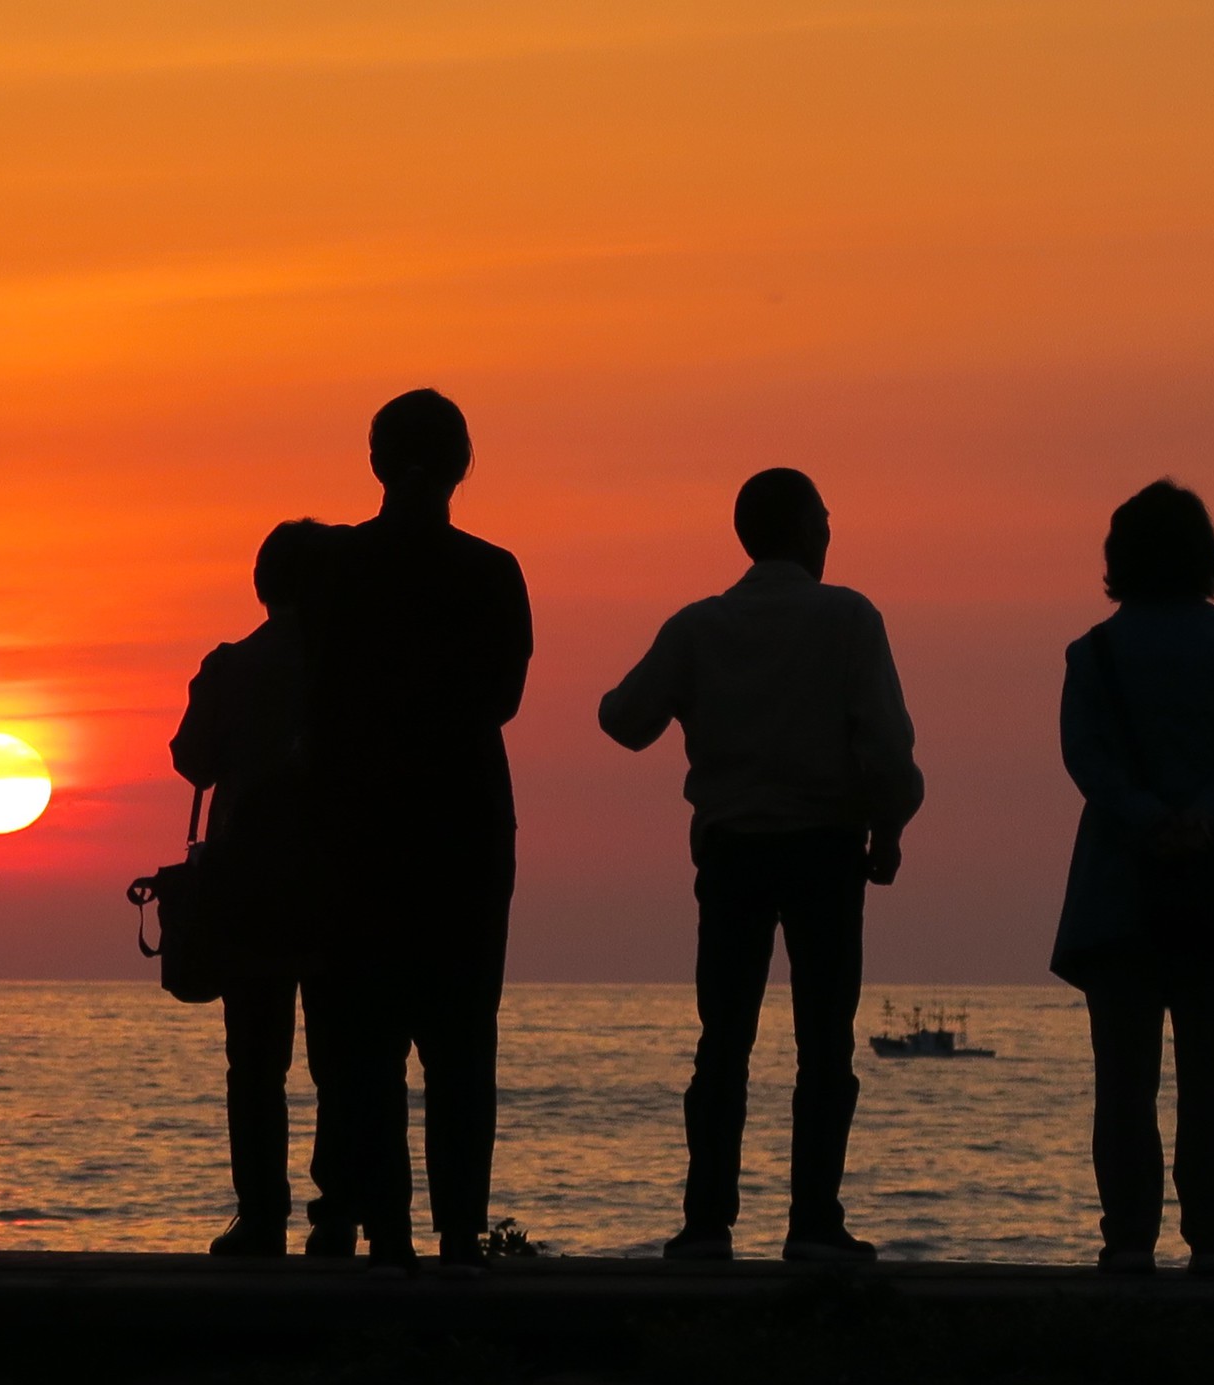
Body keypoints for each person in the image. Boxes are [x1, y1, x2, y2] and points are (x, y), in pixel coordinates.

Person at [598, 467, 922, 1264]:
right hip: (825, 851)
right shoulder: (848, 617)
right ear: (809, 530)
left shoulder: (699, 627)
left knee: (724, 1043)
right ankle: (813, 1222)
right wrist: (889, 829)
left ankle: (707, 1223)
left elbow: (622, 718)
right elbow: (886, 745)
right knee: (826, 1044)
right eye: (824, 516)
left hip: (734, 851)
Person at [298, 389, 532, 1274]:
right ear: (464, 463)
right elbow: (501, 699)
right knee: (462, 1047)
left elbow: (313, 695)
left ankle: (387, 1237)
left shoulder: (332, 568)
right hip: (465, 830)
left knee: (367, 1051)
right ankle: (462, 1238)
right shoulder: (492, 571)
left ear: (374, 463)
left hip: (357, 832)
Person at [1053, 480, 1214, 1278]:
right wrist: (1209, 815)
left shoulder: (1095, 652)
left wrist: (1148, 818)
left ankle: (1127, 1239)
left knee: (1124, 1080)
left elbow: (1087, 761)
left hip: (1120, 892)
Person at [169, 518, 349, 1256]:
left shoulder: (232, 666)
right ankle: (337, 1215)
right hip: (341, 878)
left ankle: (262, 1215)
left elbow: (193, 762)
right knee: (342, 1057)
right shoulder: (353, 671)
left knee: (255, 1061)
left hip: (247, 883)